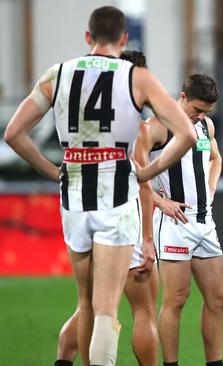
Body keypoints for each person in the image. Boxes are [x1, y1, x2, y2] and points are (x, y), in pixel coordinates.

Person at [3, 6, 196, 366]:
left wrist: (51, 170)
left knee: (85, 302)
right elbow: (185, 132)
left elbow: (14, 134)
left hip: (73, 192)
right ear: (124, 39)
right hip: (115, 191)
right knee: (108, 307)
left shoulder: (57, 74)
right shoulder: (135, 77)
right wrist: (146, 171)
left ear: (87, 37)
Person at [55, 50, 159, 366]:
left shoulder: (90, 123)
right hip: (123, 221)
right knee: (142, 311)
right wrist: (146, 237)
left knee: (87, 305)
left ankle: (63, 360)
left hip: (83, 211)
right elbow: (142, 182)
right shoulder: (135, 127)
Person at [134, 74, 223, 366]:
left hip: (204, 221)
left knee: (218, 298)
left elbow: (215, 158)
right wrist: (161, 202)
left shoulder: (205, 126)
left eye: (206, 112)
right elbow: (134, 173)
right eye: (197, 109)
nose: (200, 116)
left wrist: (211, 188)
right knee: (176, 300)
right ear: (182, 97)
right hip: (173, 225)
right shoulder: (157, 127)